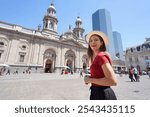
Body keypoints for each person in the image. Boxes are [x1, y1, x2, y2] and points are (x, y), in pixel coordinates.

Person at [84, 31, 117, 100]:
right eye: (91, 41)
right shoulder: (97, 57)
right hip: (97, 92)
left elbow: (112, 81)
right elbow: (101, 75)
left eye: (96, 40)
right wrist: (91, 77)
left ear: (101, 43)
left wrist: (90, 80)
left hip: (102, 94)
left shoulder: (101, 56)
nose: (93, 42)